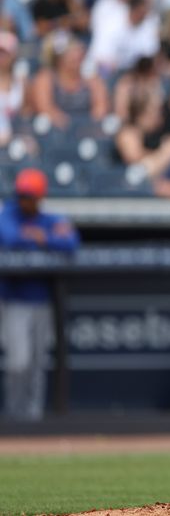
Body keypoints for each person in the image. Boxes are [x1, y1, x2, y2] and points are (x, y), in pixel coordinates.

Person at [0, 169, 80, 421]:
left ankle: (32, 419)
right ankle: (15, 416)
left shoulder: (48, 219)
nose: (25, 200)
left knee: (37, 365)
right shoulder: (8, 215)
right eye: (22, 195)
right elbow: (10, 237)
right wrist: (46, 239)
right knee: (18, 362)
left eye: (30, 196)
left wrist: (42, 237)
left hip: (42, 302)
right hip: (14, 302)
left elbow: (71, 243)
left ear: (40, 197)